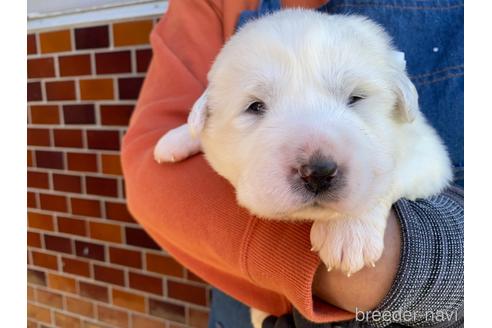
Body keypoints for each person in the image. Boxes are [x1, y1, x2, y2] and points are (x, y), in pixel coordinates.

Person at [121, 0, 463, 327]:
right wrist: (206, 132)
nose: (314, 166)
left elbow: (428, 158)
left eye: (354, 98)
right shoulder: (211, 8)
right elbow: (150, 168)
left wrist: (373, 219)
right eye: (257, 106)